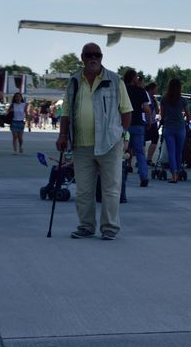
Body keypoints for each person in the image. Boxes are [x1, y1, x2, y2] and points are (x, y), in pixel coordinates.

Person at [56, 43, 133, 239]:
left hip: (109, 144)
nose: (93, 58)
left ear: (101, 57)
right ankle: (86, 226)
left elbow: (126, 111)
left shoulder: (115, 80)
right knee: (83, 190)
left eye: (97, 55)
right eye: (89, 55)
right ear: (82, 57)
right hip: (82, 144)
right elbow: (66, 111)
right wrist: (63, 135)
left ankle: (109, 228)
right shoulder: (74, 81)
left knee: (111, 190)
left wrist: (119, 133)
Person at [124, 70, 152, 188]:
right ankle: (144, 176)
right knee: (140, 152)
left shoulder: (122, 90)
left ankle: (122, 176)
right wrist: (150, 119)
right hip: (138, 125)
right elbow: (146, 108)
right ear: (134, 78)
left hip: (124, 124)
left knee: (122, 152)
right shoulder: (141, 91)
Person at [160, 78, 191, 183]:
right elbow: (188, 114)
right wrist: (187, 121)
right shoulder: (182, 100)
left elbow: (162, 114)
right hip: (180, 127)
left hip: (169, 127)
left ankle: (174, 175)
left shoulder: (164, 99)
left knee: (171, 152)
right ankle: (178, 171)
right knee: (179, 152)